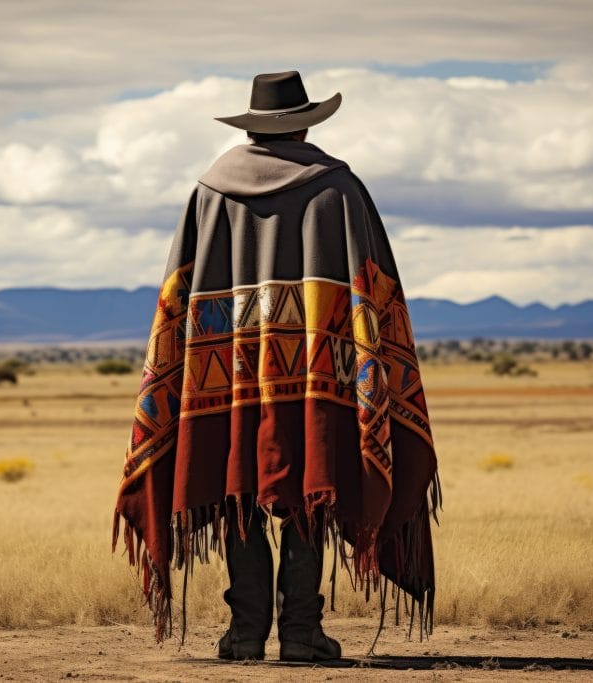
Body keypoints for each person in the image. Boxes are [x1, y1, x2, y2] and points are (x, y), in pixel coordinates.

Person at [113, 70, 440, 662]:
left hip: (227, 375)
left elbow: (179, 296)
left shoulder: (209, 194)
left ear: (252, 125)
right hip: (323, 373)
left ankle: (243, 635)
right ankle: (300, 632)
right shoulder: (338, 190)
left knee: (238, 487)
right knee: (312, 485)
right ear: (307, 122)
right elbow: (374, 292)